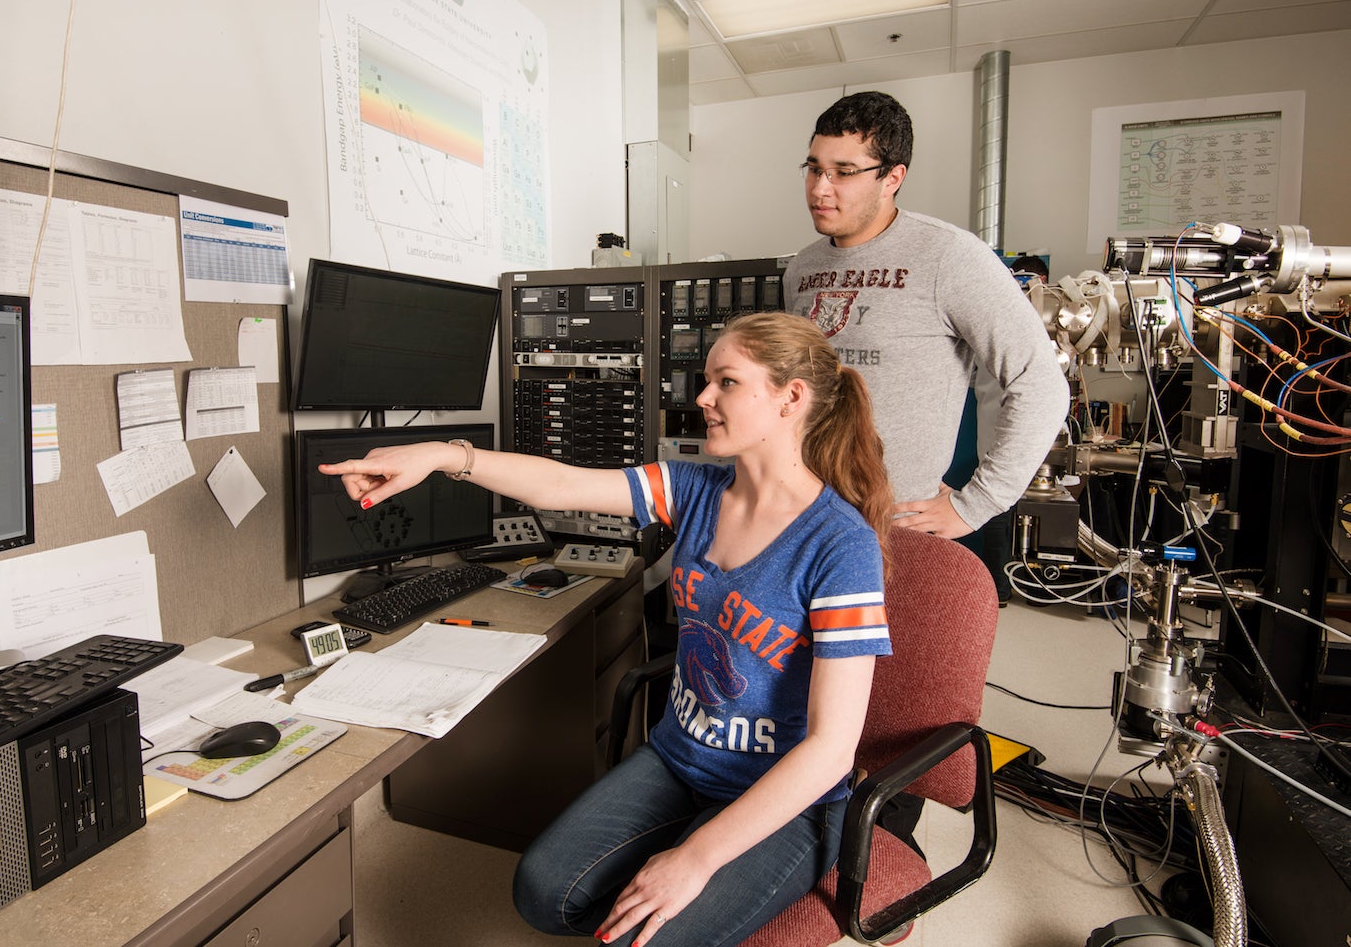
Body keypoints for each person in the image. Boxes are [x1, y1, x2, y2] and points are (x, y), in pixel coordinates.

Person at [320, 312, 895, 947]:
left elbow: (831, 750)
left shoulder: (841, 545)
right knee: (543, 893)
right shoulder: (696, 489)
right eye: (705, 380)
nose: (700, 398)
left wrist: (696, 858)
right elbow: (560, 484)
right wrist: (439, 455)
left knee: (640, 935)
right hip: (682, 760)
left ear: (791, 398)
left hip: (791, 802)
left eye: (726, 382)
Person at [783, 91, 1069, 544]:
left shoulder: (949, 257)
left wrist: (976, 504)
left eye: (844, 172)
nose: (820, 187)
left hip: (891, 530)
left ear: (892, 176)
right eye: (815, 168)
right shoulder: (802, 267)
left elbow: (1041, 383)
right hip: (798, 515)